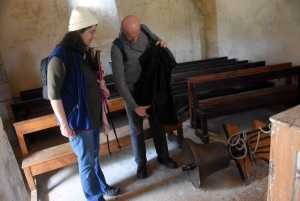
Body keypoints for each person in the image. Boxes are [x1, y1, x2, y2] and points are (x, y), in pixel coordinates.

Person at [47, 6, 120, 201]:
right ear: (78, 31)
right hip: (79, 121)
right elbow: (53, 94)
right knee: (87, 161)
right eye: (92, 32)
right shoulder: (60, 56)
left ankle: (102, 186)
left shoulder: (81, 53)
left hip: (91, 117)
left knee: (94, 156)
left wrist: (97, 83)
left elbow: (81, 81)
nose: (94, 36)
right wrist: (63, 123)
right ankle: (95, 198)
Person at [110, 15, 178, 179]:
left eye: (137, 35)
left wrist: (161, 42)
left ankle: (163, 156)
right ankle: (141, 163)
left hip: (150, 87)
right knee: (136, 129)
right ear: (121, 31)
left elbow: (157, 40)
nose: (134, 39)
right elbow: (119, 82)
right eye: (130, 36)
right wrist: (135, 107)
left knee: (157, 123)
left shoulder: (145, 30)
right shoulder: (117, 47)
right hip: (133, 92)